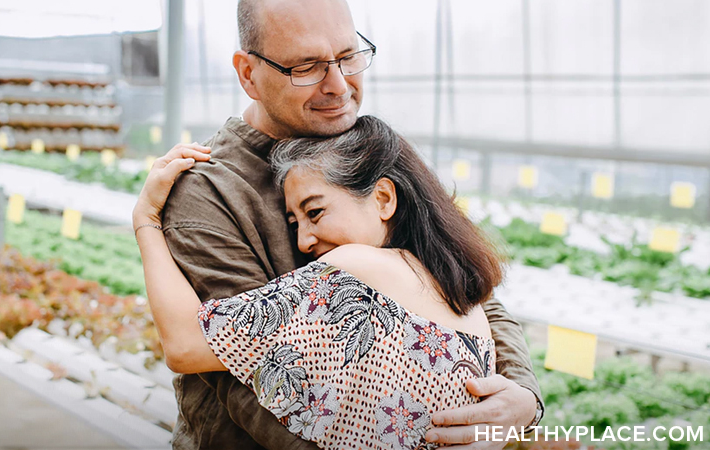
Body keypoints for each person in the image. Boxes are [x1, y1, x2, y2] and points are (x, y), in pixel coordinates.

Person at [157, 0, 543, 448]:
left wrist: (523, 399)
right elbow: (245, 380)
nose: (339, 86)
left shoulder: (363, 145)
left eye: (348, 57)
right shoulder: (208, 189)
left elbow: (459, 279)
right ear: (248, 74)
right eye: (306, 66)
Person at [133, 115, 504, 449]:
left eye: (315, 212)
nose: (303, 241)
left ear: (383, 198)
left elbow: (185, 346)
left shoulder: (354, 268)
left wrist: (146, 219)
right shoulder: (468, 304)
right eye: (295, 222)